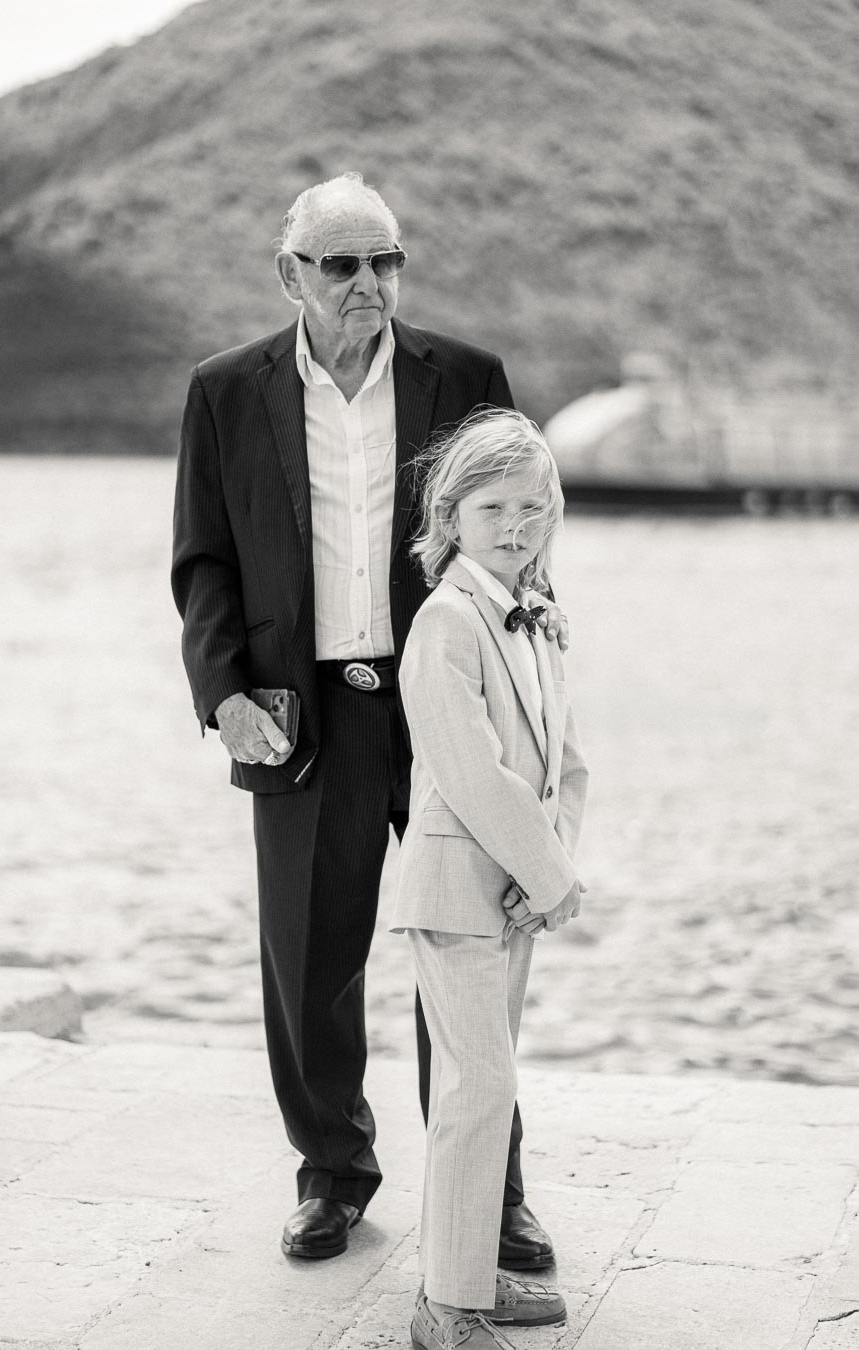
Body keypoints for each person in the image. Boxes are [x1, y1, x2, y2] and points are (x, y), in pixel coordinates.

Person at [171, 172, 569, 1264]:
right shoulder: (224, 390)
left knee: (470, 951)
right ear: (289, 272)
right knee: (309, 961)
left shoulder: (469, 378)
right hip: (303, 715)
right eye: (342, 264)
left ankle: (490, 1193)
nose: (368, 284)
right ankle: (334, 1176)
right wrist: (224, 693)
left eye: (385, 261)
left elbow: (522, 529)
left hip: (444, 704)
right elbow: (204, 559)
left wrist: (531, 679)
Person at [390, 408, 589, 1349]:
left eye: (533, 508)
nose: (515, 527)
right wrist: (544, 875)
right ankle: (448, 1307)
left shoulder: (538, 619)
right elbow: (468, 769)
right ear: (452, 514)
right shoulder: (445, 621)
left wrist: (549, 869)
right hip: (455, 889)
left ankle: (468, 1271)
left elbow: (566, 767)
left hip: (508, 891)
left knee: (489, 1088)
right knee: (477, 1090)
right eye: (495, 507)